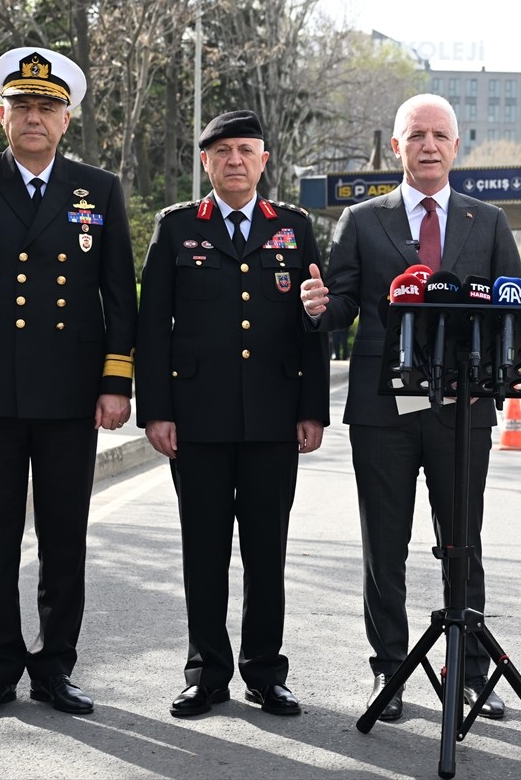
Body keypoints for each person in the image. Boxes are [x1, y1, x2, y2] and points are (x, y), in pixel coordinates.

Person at [0, 47, 137, 720]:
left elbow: (117, 297)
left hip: (71, 393)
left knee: (65, 536)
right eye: (23, 107)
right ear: (2, 114)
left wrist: (116, 381)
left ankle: (55, 668)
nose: (35, 118)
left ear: (66, 118)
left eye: (47, 108)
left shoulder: (96, 190)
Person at [299, 93, 521, 721]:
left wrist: (499, 381)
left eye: (440, 135)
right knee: (385, 547)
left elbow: (510, 317)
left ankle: (471, 672)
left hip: (463, 409)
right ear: (395, 147)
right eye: (415, 134)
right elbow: (343, 305)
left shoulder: (490, 221)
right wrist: (319, 307)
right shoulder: (363, 221)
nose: (428, 144)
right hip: (381, 408)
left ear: (457, 147)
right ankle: (389, 670)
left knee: (463, 544)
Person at [135, 110, 329, 718]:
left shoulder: (293, 229)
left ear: (264, 160)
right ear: (206, 163)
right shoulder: (176, 229)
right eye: (223, 152)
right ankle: (207, 672)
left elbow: (313, 325)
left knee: (266, 551)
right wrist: (156, 411)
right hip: (197, 418)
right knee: (204, 549)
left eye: (247, 150)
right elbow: (152, 329)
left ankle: (266, 672)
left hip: (274, 417)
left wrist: (312, 409)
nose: (235, 161)